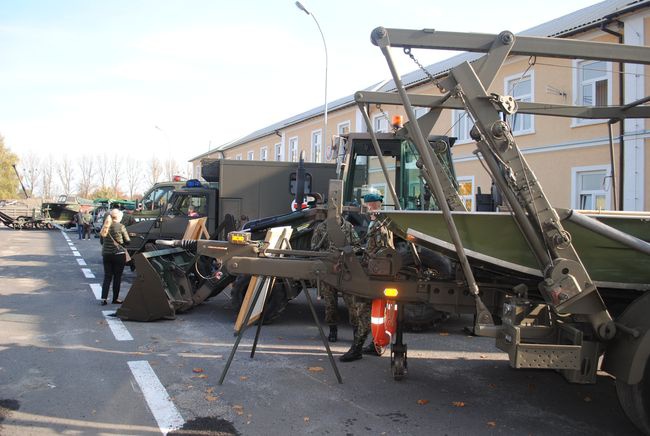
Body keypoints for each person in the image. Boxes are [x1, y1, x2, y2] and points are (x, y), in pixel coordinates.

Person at [338, 192, 394, 362]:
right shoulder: (377, 223)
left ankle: (357, 349)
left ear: (372, 205)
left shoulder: (379, 226)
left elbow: (382, 252)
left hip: (374, 275)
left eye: (367, 205)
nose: (365, 208)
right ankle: (376, 345)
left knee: (363, 310)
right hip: (375, 273)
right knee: (376, 312)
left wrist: (365, 262)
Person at [310, 215, 360, 343]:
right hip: (329, 271)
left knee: (352, 304)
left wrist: (345, 252)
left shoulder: (348, 227)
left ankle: (356, 332)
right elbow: (314, 248)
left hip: (346, 271)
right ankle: (333, 330)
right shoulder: (321, 228)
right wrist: (328, 254)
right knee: (330, 304)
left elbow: (357, 245)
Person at [99, 209, 130, 306]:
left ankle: (103, 299)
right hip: (118, 255)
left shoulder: (105, 226)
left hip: (106, 255)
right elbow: (127, 241)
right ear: (119, 217)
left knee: (107, 277)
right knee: (117, 277)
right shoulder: (121, 227)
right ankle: (115, 299)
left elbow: (101, 242)